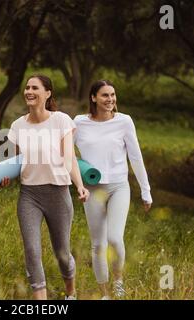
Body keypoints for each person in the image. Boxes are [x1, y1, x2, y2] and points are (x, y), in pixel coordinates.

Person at [0, 75, 89, 300]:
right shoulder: (18, 125)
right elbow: (19, 160)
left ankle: (71, 294)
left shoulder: (61, 120)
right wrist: (4, 176)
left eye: (34, 88)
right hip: (29, 194)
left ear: (47, 94)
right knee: (32, 250)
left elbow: (70, 158)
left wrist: (79, 185)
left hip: (58, 193)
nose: (28, 91)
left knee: (62, 254)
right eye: (27, 87)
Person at [74, 80, 152, 300]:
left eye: (113, 95)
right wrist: (76, 182)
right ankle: (104, 294)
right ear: (93, 98)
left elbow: (135, 158)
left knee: (115, 239)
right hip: (91, 189)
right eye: (105, 95)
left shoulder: (124, 121)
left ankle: (118, 282)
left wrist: (145, 191)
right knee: (98, 244)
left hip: (119, 186)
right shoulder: (79, 123)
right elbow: (65, 153)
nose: (110, 99)